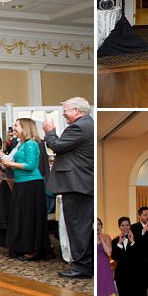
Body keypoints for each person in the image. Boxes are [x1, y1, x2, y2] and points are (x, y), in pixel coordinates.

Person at [43, 97, 94, 279]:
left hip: (77, 184)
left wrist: (50, 132)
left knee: (77, 226)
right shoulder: (87, 125)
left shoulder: (79, 127)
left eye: (65, 110)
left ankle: (82, 267)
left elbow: (57, 145)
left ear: (77, 111)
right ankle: (85, 264)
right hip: (81, 184)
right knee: (80, 226)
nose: (63, 114)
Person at [0, 118, 49, 261]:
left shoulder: (31, 144)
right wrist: (1, 155)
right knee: (20, 216)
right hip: (21, 183)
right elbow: (12, 160)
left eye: (16, 125)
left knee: (29, 217)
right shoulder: (21, 144)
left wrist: (11, 163)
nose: (13, 128)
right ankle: (22, 246)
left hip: (31, 185)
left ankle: (34, 249)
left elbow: (31, 166)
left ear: (25, 127)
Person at [111, 216, 146, 296]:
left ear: (130, 226)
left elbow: (140, 255)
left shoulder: (137, 239)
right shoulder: (115, 241)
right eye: (123, 225)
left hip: (135, 276)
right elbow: (115, 257)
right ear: (119, 227)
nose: (125, 227)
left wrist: (132, 243)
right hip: (121, 276)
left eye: (127, 225)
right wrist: (120, 244)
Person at [96, 218, 115, 296]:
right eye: (95, 224)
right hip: (95, 267)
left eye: (99, 224)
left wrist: (101, 238)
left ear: (101, 226)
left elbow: (108, 251)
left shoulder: (106, 236)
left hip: (104, 268)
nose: (97, 226)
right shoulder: (89, 236)